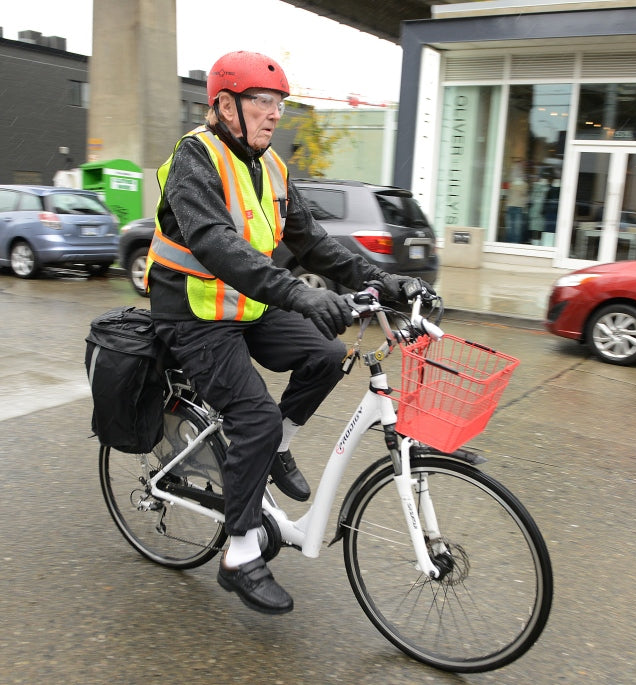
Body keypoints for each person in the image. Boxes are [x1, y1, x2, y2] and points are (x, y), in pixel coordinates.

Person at [145, 51, 431, 615]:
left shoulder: (270, 166)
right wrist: (302, 294)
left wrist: (388, 281)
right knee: (251, 415)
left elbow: (316, 243)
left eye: (279, 104)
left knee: (326, 354)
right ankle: (239, 552)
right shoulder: (194, 160)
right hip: (193, 316)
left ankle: (273, 449)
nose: (274, 115)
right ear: (224, 106)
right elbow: (216, 244)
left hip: (246, 306)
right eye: (262, 102)